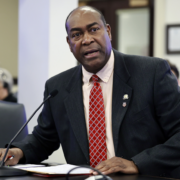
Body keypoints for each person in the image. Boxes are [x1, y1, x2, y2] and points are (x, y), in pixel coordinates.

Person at [0, 6, 180, 178]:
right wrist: (18, 152)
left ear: (108, 32)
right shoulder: (58, 86)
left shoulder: (151, 73)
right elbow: (44, 139)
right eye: (76, 35)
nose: (86, 39)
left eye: (94, 30)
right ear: (69, 43)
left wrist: (136, 163)